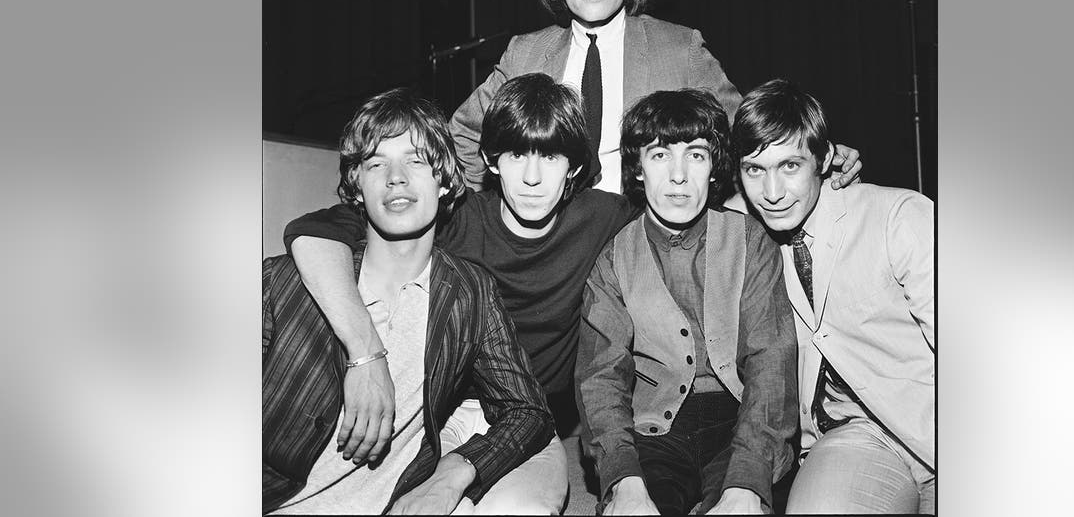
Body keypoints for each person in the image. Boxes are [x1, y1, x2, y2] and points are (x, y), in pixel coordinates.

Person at [283, 74, 641, 437]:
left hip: (535, 414)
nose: (532, 178)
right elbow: (315, 230)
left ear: (574, 169)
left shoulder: (602, 217)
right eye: (516, 155)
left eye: (549, 157)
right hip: (443, 407)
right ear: (491, 160)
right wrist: (365, 352)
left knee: (530, 496)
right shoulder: (458, 216)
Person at [262, 88, 560, 514]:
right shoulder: (285, 280)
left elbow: (527, 411)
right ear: (357, 187)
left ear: (444, 181)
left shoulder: (469, 293)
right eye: (376, 163)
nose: (395, 177)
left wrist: (451, 475)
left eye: (415, 160)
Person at [449, 0, 860, 193]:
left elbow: (748, 137)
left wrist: (819, 156)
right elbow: (463, 135)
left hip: (644, 246)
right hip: (550, 250)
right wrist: (487, 215)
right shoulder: (525, 53)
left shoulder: (680, 48)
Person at [575, 89, 798, 515]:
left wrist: (747, 481)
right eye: (659, 156)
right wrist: (624, 479)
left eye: (695, 155)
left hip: (739, 421)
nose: (678, 176)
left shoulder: (751, 240)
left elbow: (771, 360)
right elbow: (600, 378)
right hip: (652, 430)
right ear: (637, 169)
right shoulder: (613, 259)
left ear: (715, 168)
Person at [732, 79, 935, 514]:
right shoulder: (746, 237)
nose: (772, 193)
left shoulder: (897, 217)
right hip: (854, 437)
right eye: (755, 170)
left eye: (790, 166)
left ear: (825, 158)